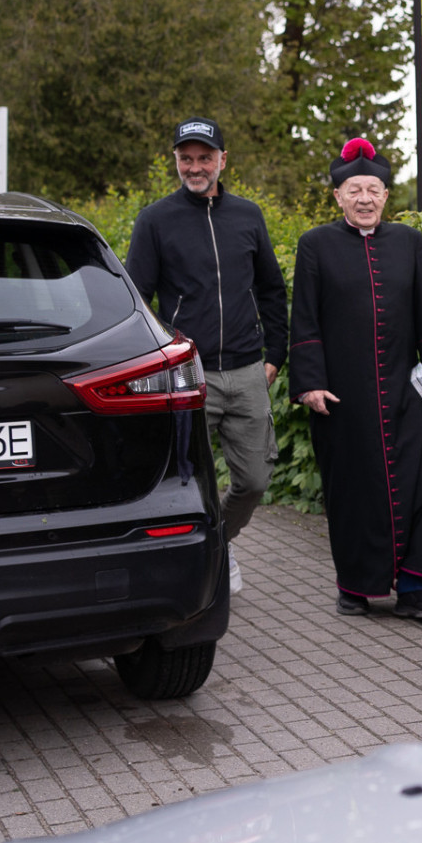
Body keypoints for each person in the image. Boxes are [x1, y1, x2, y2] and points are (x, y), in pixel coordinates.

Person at [288, 138, 422, 619]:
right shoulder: (315, 245)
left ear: (385, 195)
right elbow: (305, 320)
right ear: (338, 196)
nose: (364, 199)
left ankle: (416, 591)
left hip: (403, 391)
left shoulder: (408, 242)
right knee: (352, 491)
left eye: (373, 190)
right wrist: (310, 383)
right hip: (343, 396)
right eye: (355, 190)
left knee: (417, 485)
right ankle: (355, 587)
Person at [127, 117, 288, 590]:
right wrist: (160, 362)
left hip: (247, 370)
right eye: (186, 158)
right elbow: (138, 300)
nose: (195, 167)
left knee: (255, 480)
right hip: (187, 374)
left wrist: (275, 354)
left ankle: (219, 542)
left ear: (222, 160)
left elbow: (271, 289)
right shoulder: (155, 220)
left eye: (204, 158)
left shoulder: (248, 216)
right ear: (176, 161)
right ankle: (196, 563)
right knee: (185, 481)